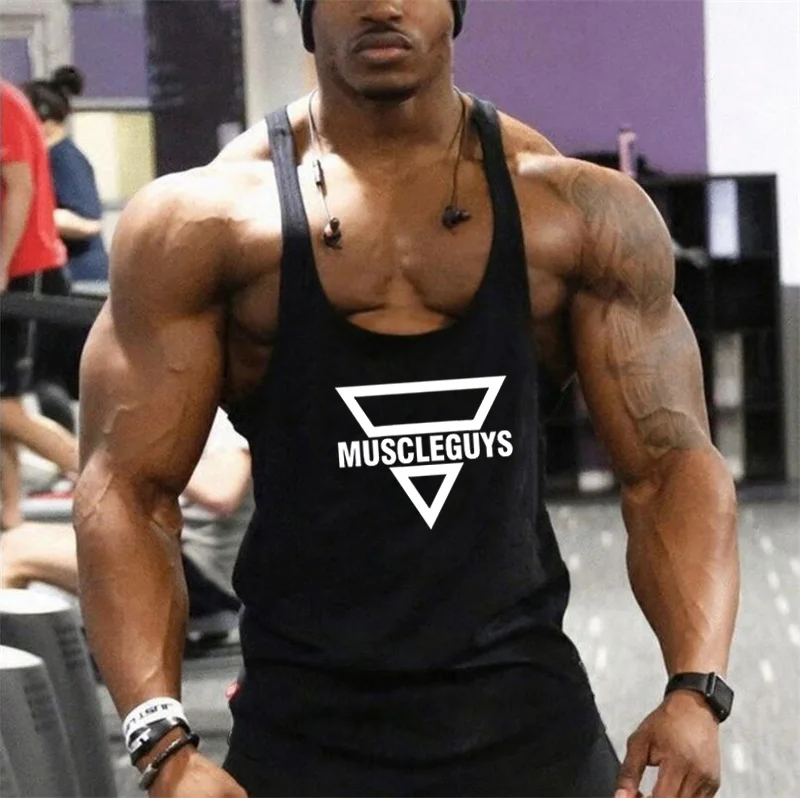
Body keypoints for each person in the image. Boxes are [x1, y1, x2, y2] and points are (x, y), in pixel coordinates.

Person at [74, 2, 740, 796]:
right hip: (302, 737)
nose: (383, 3)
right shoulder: (203, 224)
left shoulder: (575, 214)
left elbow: (670, 469)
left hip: (530, 730)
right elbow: (127, 493)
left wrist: (696, 688)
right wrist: (162, 744)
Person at [2, 409, 251, 629]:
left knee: (13, 552)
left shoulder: (221, 420)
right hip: (159, 547)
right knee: (14, 541)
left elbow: (221, 494)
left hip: (200, 575)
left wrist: (141, 451)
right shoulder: (170, 411)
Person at [1, 80, 78, 531]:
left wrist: (1, 266)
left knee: (5, 408)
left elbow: (21, 187)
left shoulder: (3, 102)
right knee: (4, 402)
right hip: (14, 267)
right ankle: (10, 516)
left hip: (26, 268)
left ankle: (106, 481)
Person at [22, 67, 110, 427]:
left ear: (41, 118)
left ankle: (70, 453)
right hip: (61, 283)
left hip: (79, 283)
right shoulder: (48, 158)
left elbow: (87, 219)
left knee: (50, 376)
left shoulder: (63, 158)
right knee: (48, 378)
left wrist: (34, 213)